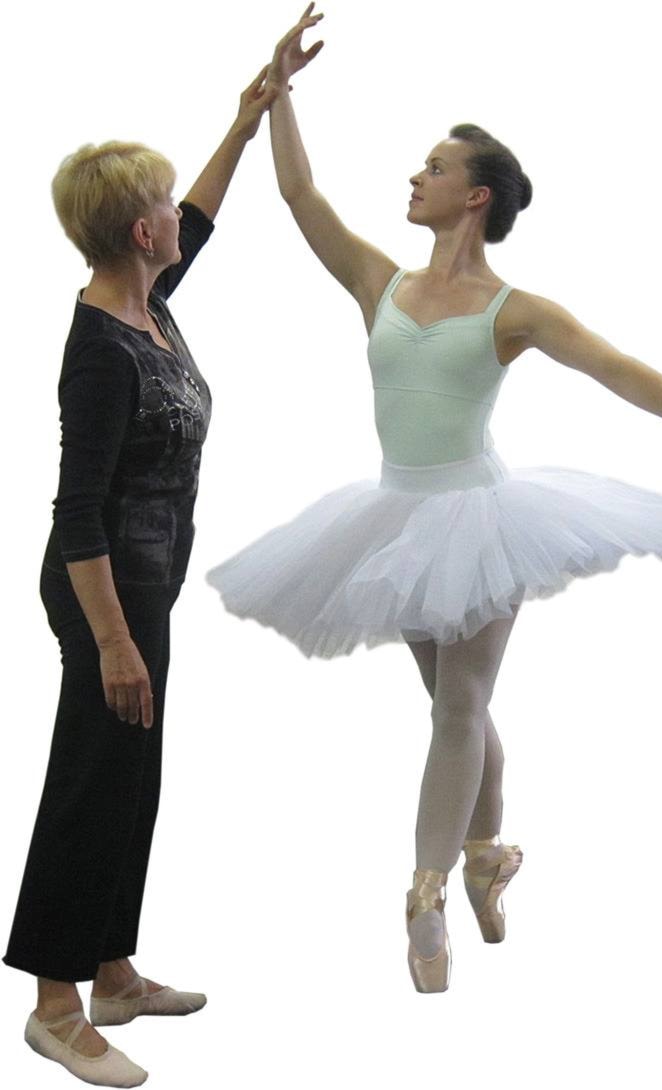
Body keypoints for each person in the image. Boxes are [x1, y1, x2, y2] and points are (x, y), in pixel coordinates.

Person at [206, 5, 662, 994]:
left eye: (433, 168)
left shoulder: (512, 310)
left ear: (474, 197)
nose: (415, 177)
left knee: (459, 703)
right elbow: (300, 194)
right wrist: (277, 94)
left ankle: (425, 894)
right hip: (395, 518)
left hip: (479, 519)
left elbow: (610, 364)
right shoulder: (379, 282)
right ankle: (487, 856)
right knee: (456, 706)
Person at [2, 65, 281, 1087]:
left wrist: (247, 118)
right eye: (162, 206)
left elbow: (200, 215)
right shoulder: (101, 351)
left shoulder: (149, 302)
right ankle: (54, 1004)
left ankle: (113, 972)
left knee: (133, 777)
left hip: (146, 588)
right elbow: (76, 511)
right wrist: (114, 641)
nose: (178, 217)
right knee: (90, 781)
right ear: (136, 232)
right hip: (102, 595)